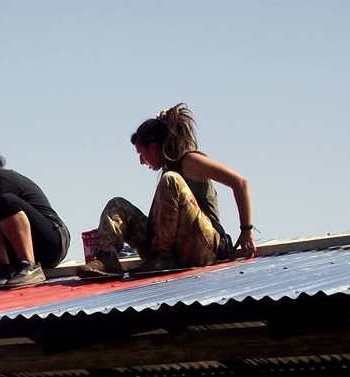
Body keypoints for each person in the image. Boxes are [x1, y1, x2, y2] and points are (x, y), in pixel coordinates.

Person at [78, 103, 256, 278]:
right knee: (117, 205)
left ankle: (163, 255)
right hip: (174, 252)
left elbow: (240, 182)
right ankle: (108, 259)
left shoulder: (190, 162)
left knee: (171, 180)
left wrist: (246, 230)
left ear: (153, 147)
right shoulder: (168, 171)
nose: (141, 161)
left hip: (203, 247)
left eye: (142, 154)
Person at [0, 155, 70, 286]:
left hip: (52, 243)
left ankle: (29, 266)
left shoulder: (0, 180)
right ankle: (4, 268)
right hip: (28, 251)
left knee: (4, 201)